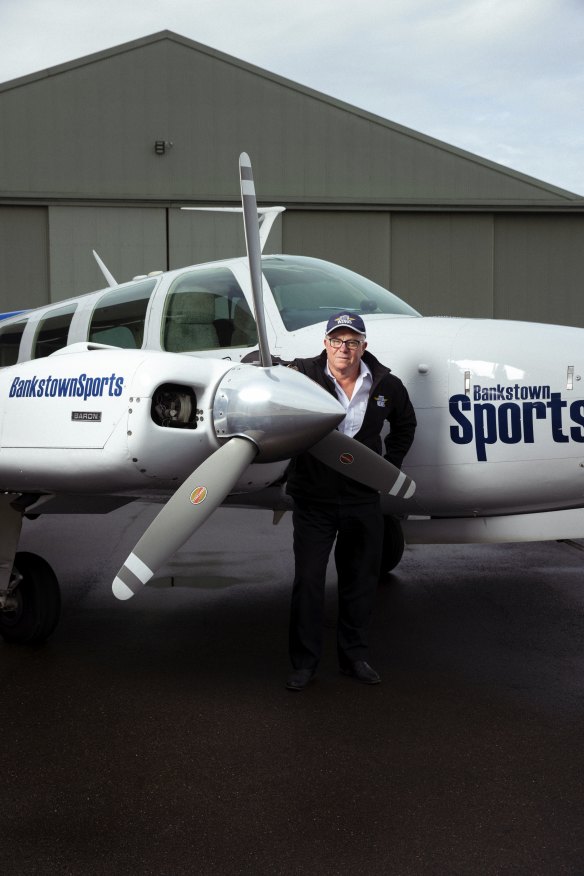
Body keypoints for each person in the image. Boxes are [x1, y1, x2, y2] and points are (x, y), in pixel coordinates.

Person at [285, 312, 416, 691]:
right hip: (313, 499)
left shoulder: (387, 385)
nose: (345, 348)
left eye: (353, 341)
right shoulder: (301, 376)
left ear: (364, 346)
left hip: (362, 500)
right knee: (308, 582)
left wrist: (388, 467)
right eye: (337, 340)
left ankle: (354, 657)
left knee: (359, 582)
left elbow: (406, 423)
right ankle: (304, 664)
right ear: (325, 343)